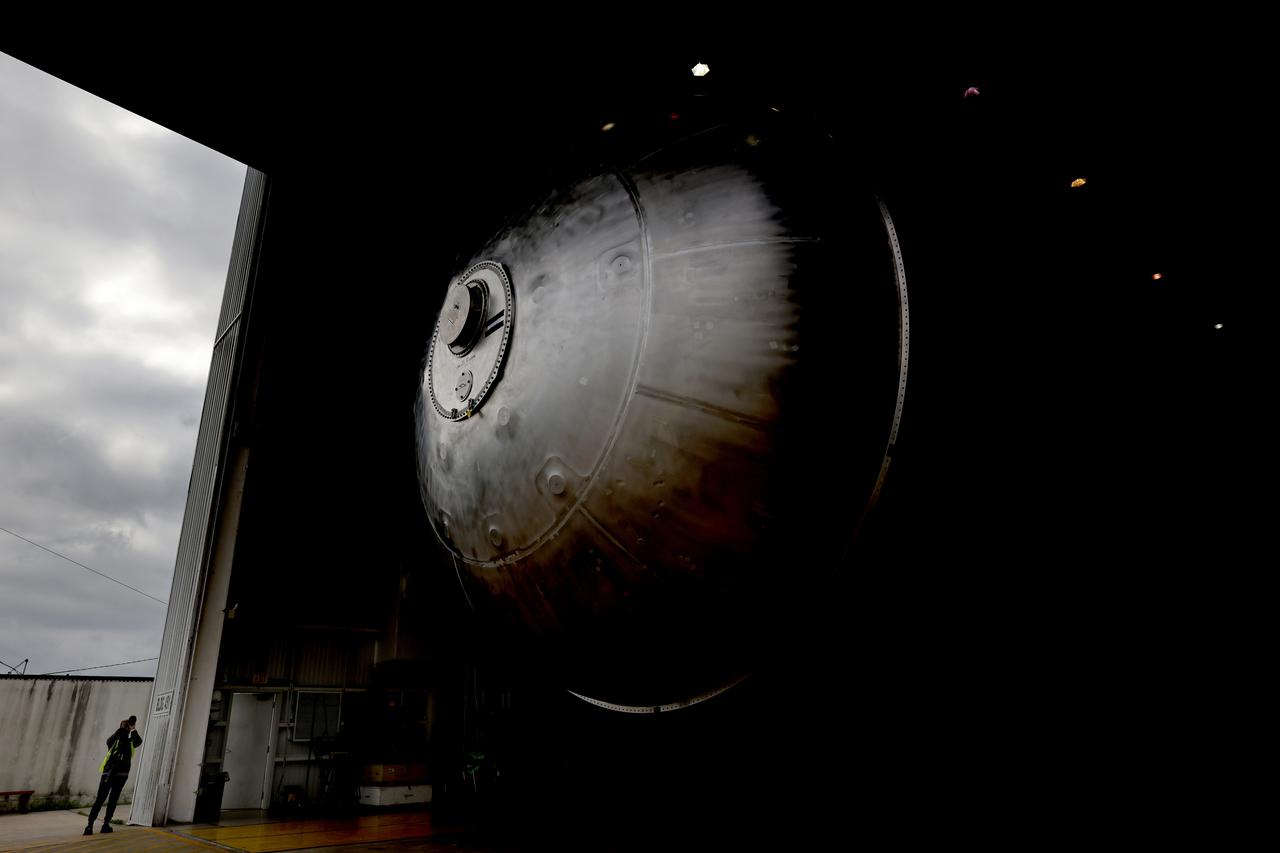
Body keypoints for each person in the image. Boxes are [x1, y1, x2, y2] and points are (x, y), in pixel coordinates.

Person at [84, 715, 142, 835]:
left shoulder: (117, 739)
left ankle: (89, 826)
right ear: (128, 728)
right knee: (113, 799)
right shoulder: (126, 740)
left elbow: (110, 741)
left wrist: (122, 730)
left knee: (100, 799)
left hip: (109, 773)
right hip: (120, 774)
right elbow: (138, 741)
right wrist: (132, 729)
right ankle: (105, 824)